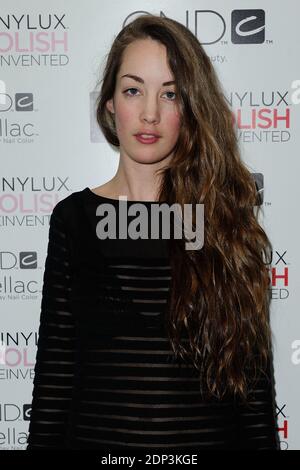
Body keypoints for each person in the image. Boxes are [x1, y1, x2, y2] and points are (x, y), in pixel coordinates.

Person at [26, 14, 280, 451]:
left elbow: (253, 403)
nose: (149, 113)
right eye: (133, 90)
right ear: (109, 103)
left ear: (192, 107)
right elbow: (55, 383)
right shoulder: (73, 221)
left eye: (170, 94)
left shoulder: (220, 220)